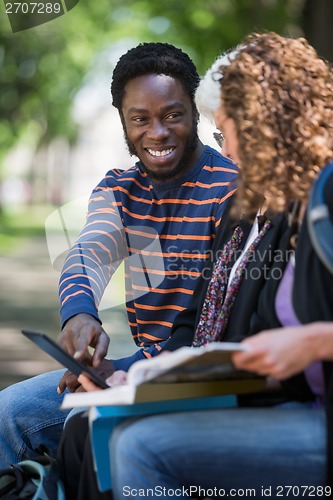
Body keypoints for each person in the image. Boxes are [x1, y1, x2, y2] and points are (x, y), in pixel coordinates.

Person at [78, 32, 333, 498]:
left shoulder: (318, 201)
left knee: (142, 445)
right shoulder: (259, 215)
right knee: (92, 423)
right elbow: (200, 325)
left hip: (302, 411)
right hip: (257, 396)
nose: (227, 149)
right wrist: (137, 379)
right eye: (220, 133)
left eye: (226, 129)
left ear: (265, 124)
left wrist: (314, 340)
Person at [0, 42, 238, 468]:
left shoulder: (231, 188)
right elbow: (90, 251)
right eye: (139, 119)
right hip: (138, 370)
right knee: (9, 414)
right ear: (123, 123)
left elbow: (217, 322)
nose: (157, 133)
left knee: (97, 437)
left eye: (172, 115)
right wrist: (79, 315)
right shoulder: (119, 189)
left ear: (194, 113)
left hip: (206, 379)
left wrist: (132, 379)